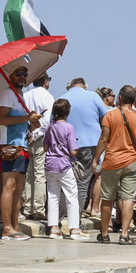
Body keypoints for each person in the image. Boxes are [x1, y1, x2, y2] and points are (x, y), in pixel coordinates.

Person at [93, 85, 136, 244]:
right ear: (135, 99)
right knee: (128, 198)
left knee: (107, 198)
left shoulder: (110, 115)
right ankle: (124, 234)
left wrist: (96, 159)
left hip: (112, 161)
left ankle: (104, 234)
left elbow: (104, 139)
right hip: (132, 162)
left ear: (120, 98)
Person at [0, 65, 40, 240]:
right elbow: (3, 119)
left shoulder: (20, 96)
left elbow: (19, 121)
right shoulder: (7, 94)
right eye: (18, 74)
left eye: (25, 74)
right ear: (10, 76)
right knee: (10, 186)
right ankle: (7, 228)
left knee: (18, 188)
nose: (22, 77)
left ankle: (14, 225)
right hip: (10, 146)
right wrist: (27, 118)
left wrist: (30, 124)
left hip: (21, 145)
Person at [56, 77, 109, 217]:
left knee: (64, 184)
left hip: (66, 146)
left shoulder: (62, 98)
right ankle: (75, 221)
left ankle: (59, 220)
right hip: (90, 145)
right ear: (85, 87)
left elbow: (53, 123)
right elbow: (106, 119)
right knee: (82, 184)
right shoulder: (93, 96)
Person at [43, 98, 87, 240]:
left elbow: (45, 147)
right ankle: (74, 229)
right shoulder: (69, 128)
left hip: (50, 164)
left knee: (53, 196)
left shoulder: (50, 127)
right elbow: (73, 151)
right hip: (64, 165)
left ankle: (54, 228)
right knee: (72, 196)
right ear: (67, 112)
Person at [22, 73, 54, 220]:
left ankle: (28, 207)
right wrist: (35, 135)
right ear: (45, 82)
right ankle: (39, 208)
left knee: (29, 174)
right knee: (39, 174)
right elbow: (46, 123)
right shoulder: (47, 96)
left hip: (26, 136)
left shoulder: (26, 95)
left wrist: (29, 134)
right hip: (39, 138)